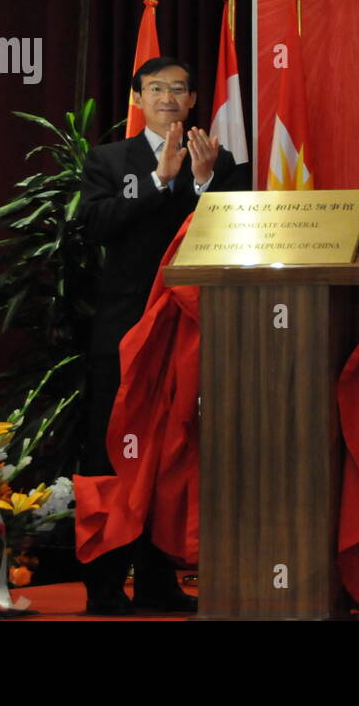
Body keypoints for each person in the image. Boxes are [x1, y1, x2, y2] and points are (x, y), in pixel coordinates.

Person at [78, 55, 248, 615]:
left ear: (196, 101)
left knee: (176, 452)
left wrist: (201, 184)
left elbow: (234, 235)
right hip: (127, 329)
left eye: (180, 88)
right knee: (113, 450)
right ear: (138, 97)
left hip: (192, 330)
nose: (169, 98)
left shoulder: (220, 162)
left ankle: (157, 579)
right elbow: (97, 225)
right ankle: (104, 584)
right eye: (157, 89)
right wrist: (159, 181)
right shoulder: (109, 160)